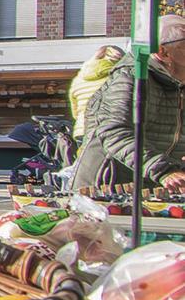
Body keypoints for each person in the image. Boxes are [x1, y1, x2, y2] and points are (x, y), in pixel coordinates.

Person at [73, 15, 185, 193]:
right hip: (107, 186)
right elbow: (114, 131)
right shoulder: (131, 77)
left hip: (150, 183)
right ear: (163, 52)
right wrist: (165, 171)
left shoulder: (178, 84)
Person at [67, 45, 126, 143]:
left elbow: (75, 113)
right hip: (109, 128)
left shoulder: (78, 79)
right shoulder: (118, 76)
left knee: (86, 158)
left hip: (83, 130)